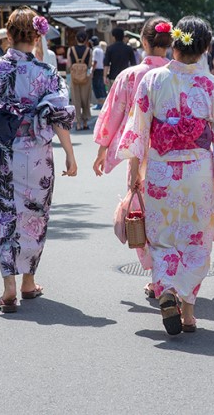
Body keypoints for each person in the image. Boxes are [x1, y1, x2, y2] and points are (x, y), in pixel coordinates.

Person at [118, 16, 214, 335]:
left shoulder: (152, 81)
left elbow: (138, 131)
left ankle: (167, 291)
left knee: (162, 237)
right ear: (204, 48)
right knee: (196, 239)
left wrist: (135, 172)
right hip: (198, 173)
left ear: (174, 44)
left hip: (161, 171)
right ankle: (187, 313)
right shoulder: (213, 86)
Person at [0, 7, 77, 313]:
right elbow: (59, 116)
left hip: (2, 153)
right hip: (37, 155)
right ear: (38, 37)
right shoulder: (47, 73)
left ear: (9, 36)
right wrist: (69, 153)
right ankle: (29, 281)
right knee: (35, 216)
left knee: (4, 217)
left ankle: (9, 288)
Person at [93, 17, 172, 298]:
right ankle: (172, 275)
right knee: (171, 213)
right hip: (174, 155)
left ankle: (156, 275)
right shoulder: (180, 73)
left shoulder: (130, 76)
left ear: (145, 42)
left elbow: (114, 112)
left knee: (142, 211)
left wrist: (103, 149)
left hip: (139, 154)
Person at [67, 30, 93, 130]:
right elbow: (90, 65)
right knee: (85, 99)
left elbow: (69, 65)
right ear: (86, 40)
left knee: (75, 100)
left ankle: (77, 123)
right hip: (85, 78)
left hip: (74, 77)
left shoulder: (71, 50)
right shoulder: (89, 50)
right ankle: (85, 122)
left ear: (76, 39)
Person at [90, 36, 107, 109]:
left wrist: (92, 71)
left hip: (97, 70)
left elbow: (95, 62)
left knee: (96, 86)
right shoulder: (101, 50)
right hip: (101, 69)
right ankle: (103, 103)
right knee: (101, 86)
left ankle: (100, 104)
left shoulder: (95, 50)